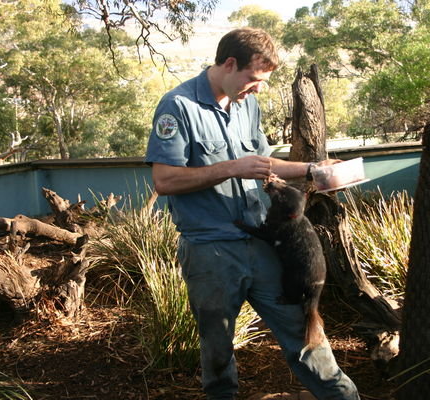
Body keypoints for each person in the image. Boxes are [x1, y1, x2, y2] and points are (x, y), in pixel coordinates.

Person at [145, 27, 360, 400]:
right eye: (254, 79)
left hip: (263, 245)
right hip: (211, 251)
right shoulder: (178, 106)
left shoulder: (246, 103)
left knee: (303, 327)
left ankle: (341, 396)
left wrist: (313, 170)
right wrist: (230, 168)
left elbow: (262, 165)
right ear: (230, 64)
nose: (258, 88)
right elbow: (164, 180)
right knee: (217, 347)